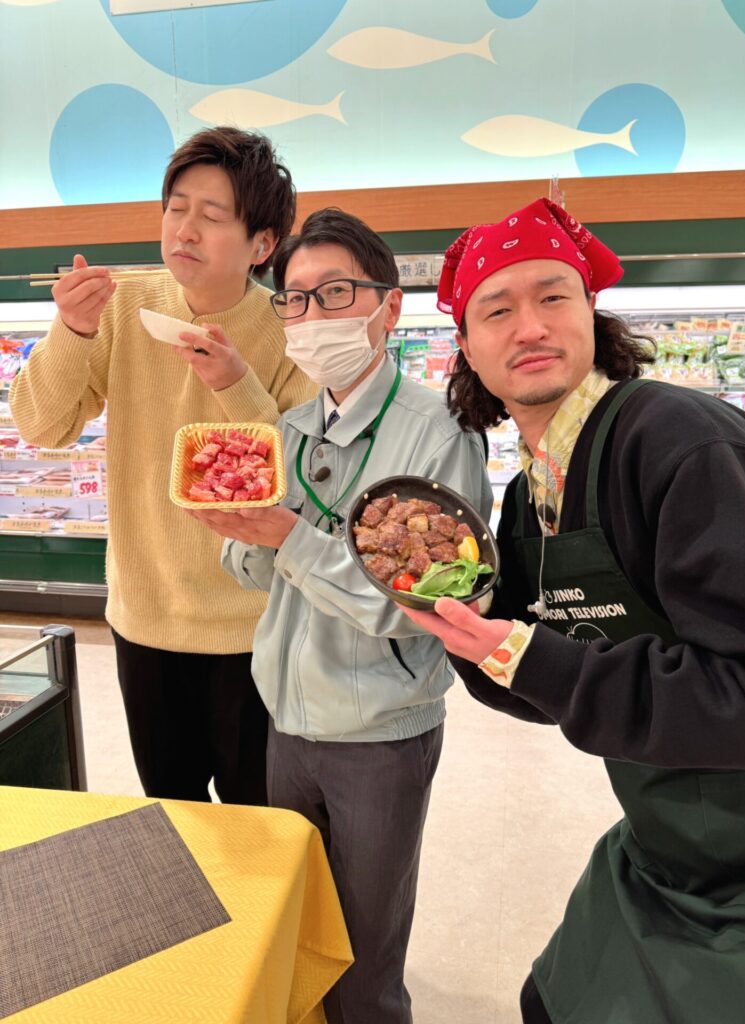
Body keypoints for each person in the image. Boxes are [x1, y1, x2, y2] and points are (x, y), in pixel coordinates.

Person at [401, 198, 745, 1024]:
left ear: (592, 315)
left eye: (553, 297)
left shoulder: (679, 443)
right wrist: (472, 630)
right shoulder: (531, 497)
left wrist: (531, 657)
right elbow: (542, 685)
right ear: (467, 348)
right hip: (672, 838)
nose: (530, 326)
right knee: (552, 999)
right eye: (497, 310)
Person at [188, 208, 492, 1023]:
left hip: (379, 733)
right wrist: (237, 534)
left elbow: (427, 605)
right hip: (287, 721)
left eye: (335, 293)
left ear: (389, 307)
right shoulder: (289, 429)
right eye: (294, 300)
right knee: (302, 928)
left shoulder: (440, 434)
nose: (311, 317)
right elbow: (265, 576)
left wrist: (288, 537)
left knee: (364, 948)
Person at [10, 127, 316, 805]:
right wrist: (71, 330)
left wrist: (235, 383)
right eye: (176, 208)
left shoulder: (290, 328)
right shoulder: (125, 305)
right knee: (171, 810)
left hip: (255, 625)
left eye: (213, 215)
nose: (186, 228)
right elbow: (42, 426)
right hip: (144, 618)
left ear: (261, 244)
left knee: (255, 818)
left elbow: (300, 475)